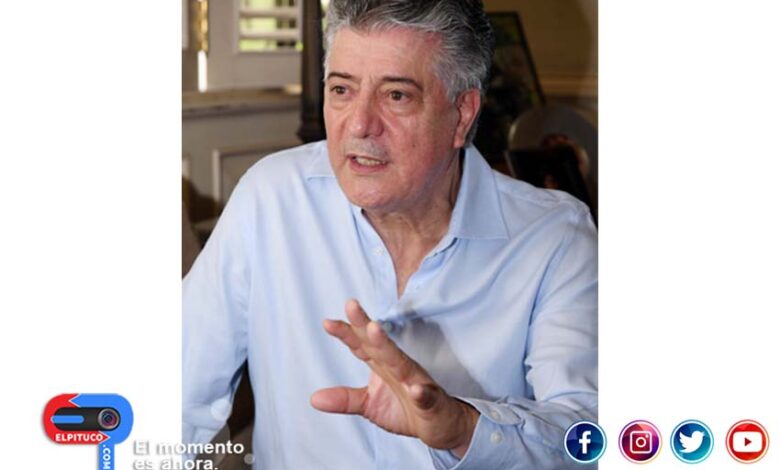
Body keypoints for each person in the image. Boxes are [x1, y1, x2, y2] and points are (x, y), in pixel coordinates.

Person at [183, 1, 597, 468]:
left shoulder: (555, 238)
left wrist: (465, 429)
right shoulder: (272, 198)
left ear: (462, 115)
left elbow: (589, 437)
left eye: (396, 95)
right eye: (342, 90)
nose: (359, 124)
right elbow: (176, 392)